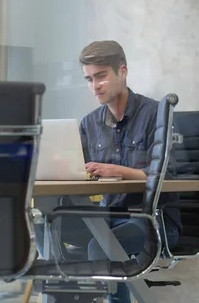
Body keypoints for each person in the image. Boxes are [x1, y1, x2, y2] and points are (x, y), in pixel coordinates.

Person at [77, 40, 181, 303]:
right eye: (89, 79)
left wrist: (117, 170)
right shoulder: (89, 123)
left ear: (122, 71)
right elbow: (80, 171)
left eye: (101, 76)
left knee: (100, 246)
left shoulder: (156, 114)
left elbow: (167, 176)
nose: (94, 86)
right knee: (48, 230)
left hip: (152, 220)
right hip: (108, 215)